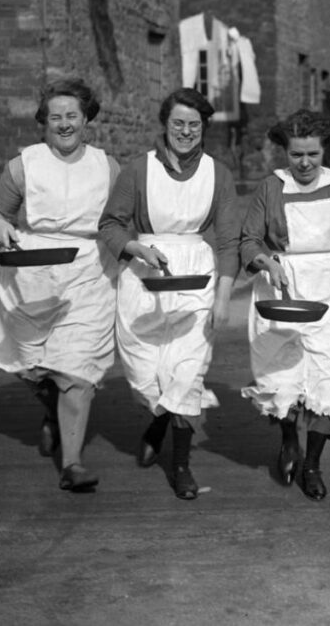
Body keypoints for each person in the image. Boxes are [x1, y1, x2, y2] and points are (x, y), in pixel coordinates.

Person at [98, 88, 239, 501]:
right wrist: (135, 248)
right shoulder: (138, 169)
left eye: (194, 125)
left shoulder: (219, 173)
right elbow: (110, 225)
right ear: (165, 124)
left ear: (204, 129)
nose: (185, 132)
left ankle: (180, 467)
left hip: (196, 276)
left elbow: (229, 241)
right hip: (143, 276)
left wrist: (224, 297)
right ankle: (157, 421)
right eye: (178, 123)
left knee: (187, 372)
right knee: (146, 373)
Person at [0, 77, 119, 492]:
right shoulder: (25, 165)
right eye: (55, 116)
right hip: (32, 272)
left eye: (72, 116)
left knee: (77, 370)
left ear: (86, 120)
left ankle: (72, 464)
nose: (64, 124)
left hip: (89, 273)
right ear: (44, 122)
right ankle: (52, 411)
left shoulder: (106, 167)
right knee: (31, 364)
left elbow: (121, 220)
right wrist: (2, 227)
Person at [240, 109, 330, 501]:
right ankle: (289, 440)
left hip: (329, 288)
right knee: (281, 372)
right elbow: (249, 240)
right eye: (296, 155)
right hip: (280, 284)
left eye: (313, 155)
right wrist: (267, 262)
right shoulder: (271, 187)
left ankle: (313, 464)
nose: (304, 163)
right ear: (285, 153)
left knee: (327, 374)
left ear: (325, 153)